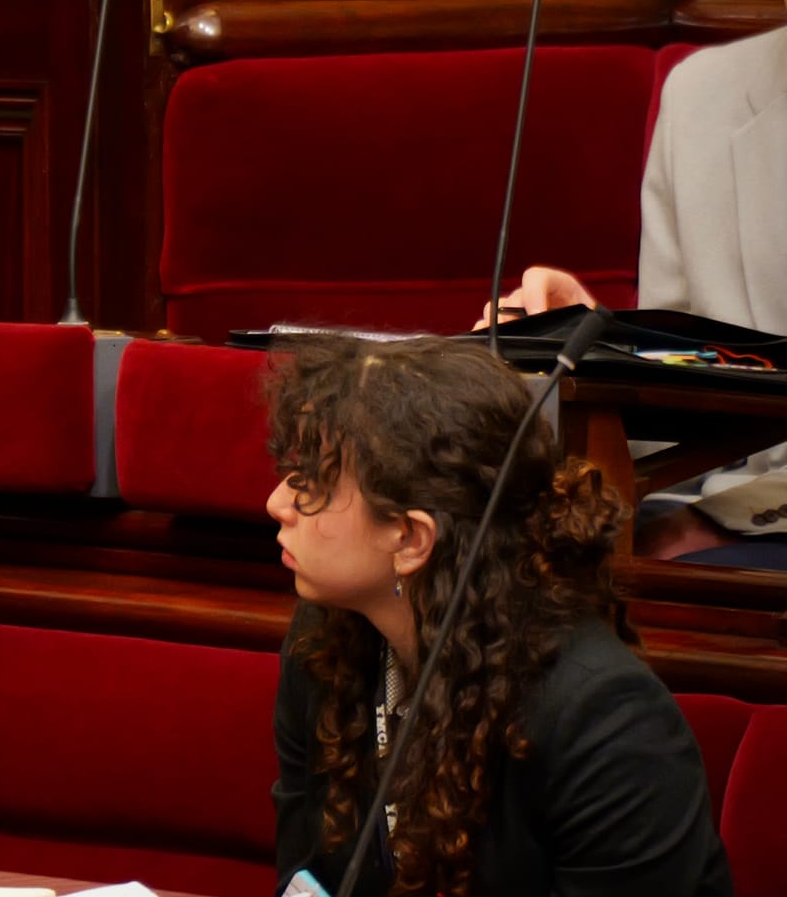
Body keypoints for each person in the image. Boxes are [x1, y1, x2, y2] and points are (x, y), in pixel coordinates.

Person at [266, 334, 730, 897]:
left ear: (411, 538)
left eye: (313, 484)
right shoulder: (326, 640)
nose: (278, 502)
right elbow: (303, 876)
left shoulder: (606, 723)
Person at [483, 0, 787, 564]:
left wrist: (731, 519)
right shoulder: (705, 97)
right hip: (704, 511)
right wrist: (587, 343)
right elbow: (682, 407)